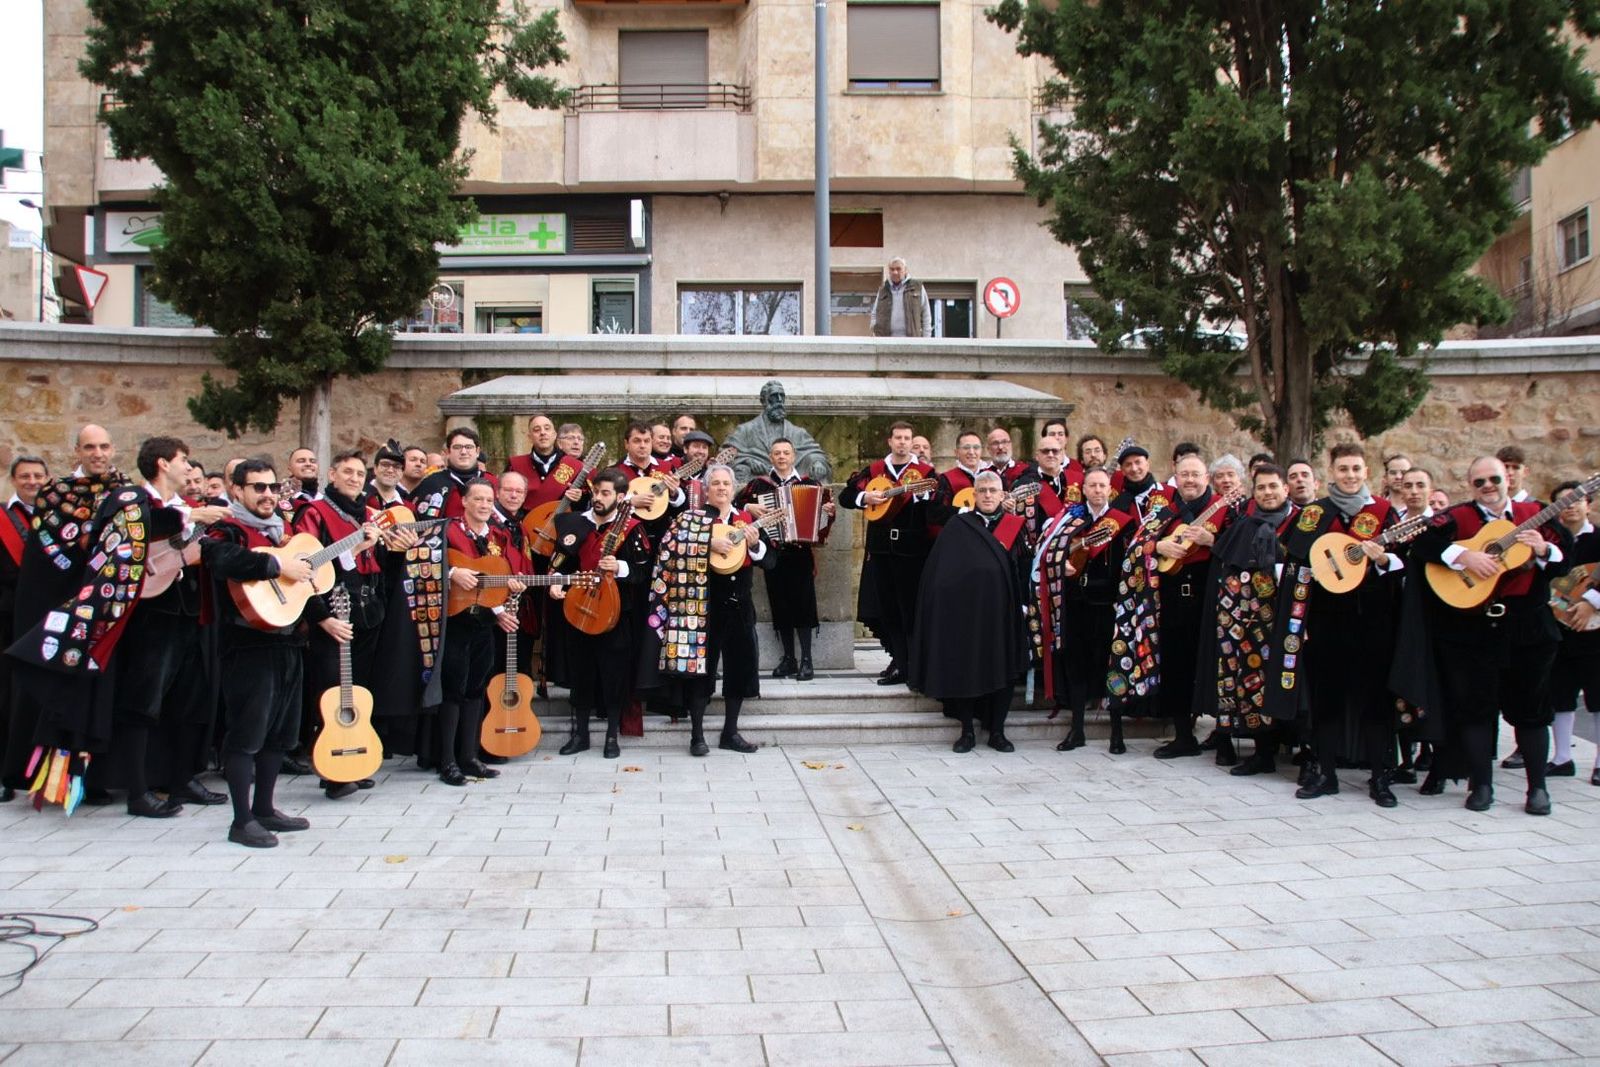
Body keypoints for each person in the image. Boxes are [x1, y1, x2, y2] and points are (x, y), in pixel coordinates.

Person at [1406, 456, 1570, 815]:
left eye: (1494, 479)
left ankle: (1537, 788)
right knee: (1475, 709)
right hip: (1472, 630)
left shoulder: (1535, 512)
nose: (1488, 487)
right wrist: (1462, 555)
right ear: (1471, 486)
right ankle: (1481, 785)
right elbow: (1421, 545)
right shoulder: (1457, 517)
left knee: (1531, 711)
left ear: (1508, 478)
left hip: (1527, 628)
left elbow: (1566, 555)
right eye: (1479, 482)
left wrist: (1543, 550)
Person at [109, 437, 228, 816]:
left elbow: (186, 548)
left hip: (189, 612)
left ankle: (182, 778)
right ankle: (137, 790)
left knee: (189, 699)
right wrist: (193, 518)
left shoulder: (181, 508)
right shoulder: (132, 500)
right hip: (152, 614)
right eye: (182, 460)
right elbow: (139, 528)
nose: (187, 467)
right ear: (162, 464)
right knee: (144, 701)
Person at [1280, 443, 1405, 805]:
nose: (1350, 475)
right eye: (1343, 469)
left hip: (1373, 620)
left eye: (1356, 469)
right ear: (1331, 472)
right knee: (1327, 699)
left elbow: (1403, 563)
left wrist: (1383, 560)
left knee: (1375, 701)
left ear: (1366, 473)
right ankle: (1326, 774)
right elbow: (1298, 560)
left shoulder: (1383, 512)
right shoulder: (1316, 513)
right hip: (1326, 619)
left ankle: (1380, 777)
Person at [201, 459, 316, 848]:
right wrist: (275, 563)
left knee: (279, 734)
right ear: (237, 491)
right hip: (246, 642)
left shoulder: (283, 533)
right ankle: (241, 820)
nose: (267, 495)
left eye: (271, 487)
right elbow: (219, 560)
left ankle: (265, 808)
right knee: (246, 734)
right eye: (257, 488)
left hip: (286, 639)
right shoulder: (226, 529)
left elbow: (301, 582)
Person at [294, 449, 417, 799]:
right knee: (331, 691)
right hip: (331, 610)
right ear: (332, 475)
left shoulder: (370, 514)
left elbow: (381, 566)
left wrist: (397, 551)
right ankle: (332, 768)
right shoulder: (314, 513)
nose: (354, 478)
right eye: (346, 472)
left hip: (367, 610)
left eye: (359, 474)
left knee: (360, 690)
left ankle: (352, 760)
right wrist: (322, 618)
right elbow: (304, 566)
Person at [638, 465, 775, 755]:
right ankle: (696, 736)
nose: (722, 488)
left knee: (740, 669)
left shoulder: (746, 519)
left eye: (727, 483)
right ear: (706, 489)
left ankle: (730, 733)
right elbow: (667, 548)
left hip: (740, 606)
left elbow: (770, 561)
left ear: (734, 488)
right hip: (702, 606)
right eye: (716, 484)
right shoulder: (691, 519)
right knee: (701, 672)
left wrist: (755, 546)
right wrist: (707, 542)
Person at [910, 471, 1030, 753]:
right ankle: (966, 732)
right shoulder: (958, 525)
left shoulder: (1014, 526)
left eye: (993, 491)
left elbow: (1023, 569)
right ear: (974, 495)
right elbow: (940, 573)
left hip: (1003, 613)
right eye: (983, 490)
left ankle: (998, 732)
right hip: (965, 616)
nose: (988, 495)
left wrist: (1024, 603)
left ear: (1003, 496)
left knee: (1004, 668)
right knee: (966, 669)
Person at [545, 469, 651, 758]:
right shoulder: (575, 525)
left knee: (614, 674)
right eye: (596, 493)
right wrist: (556, 584)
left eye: (605, 493)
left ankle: (611, 737)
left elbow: (644, 571)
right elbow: (559, 564)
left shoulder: (631, 529)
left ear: (620, 497)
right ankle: (580, 734)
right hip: (578, 611)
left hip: (615, 615)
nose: (598, 498)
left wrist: (620, 568)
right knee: (581, 674)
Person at [1202, 463, 1299, 777]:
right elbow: (1226, 571)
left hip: (1288, 622)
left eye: (1274, 486)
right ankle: (1261, 751)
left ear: (1286, 489)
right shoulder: (1244, 526)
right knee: (1248, 683)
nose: (1268, 493)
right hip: (1245, 623)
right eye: (1262, 488)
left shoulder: (1301, 524)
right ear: (1254, 493)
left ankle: (1298, 749)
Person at [1033, 467, 1132, 752]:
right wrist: (1058, 563)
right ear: (1084, 489)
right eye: (1092, 485)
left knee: (1112, 668)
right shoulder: (1070, 519)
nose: (1098, 490)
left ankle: (1117, 731)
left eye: (1102, 485)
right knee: (1076, 667)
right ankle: (1077, 730)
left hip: (1109, 607)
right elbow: (1047, 553)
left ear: (1109, 490)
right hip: (1076, 604)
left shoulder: (1122, 523)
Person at [440, 480, 525, 786]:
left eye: (489, 500)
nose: (485, 505)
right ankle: (447, 761)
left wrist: (504, 604)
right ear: (464, 501)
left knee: (477, 687)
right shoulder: (447, 531)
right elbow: (422, 561)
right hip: (456, 620)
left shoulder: (497, 537)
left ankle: (469, 755)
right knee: (453, 688)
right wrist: (452, 572)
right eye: (478, 499)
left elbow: (497, 580)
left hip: (484, 622)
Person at [1150, 453, 1231, 758]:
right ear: (1175, 476)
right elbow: (1139, 544)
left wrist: (1213, 540)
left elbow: (1242, 545)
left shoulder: (1225, 511)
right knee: (1177, 667)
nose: (1190, 480)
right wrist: (1157, 547)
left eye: (1196, 475)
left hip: (1213, 599)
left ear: (1206, 478)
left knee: (1219, 666)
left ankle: (1223, 738)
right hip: (1173, 601)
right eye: (1185, 475)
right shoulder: (1166, 512)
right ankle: (1184, 737)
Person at [841, 423, 934, 687]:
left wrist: (922, 497)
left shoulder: (925, 473)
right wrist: (865, 497)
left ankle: (912, 665)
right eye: (898, 438)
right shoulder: (874, 470)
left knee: (910, 611)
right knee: (885, 609)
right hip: (880, 551)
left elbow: (936, 508)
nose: (903, 443)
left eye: (907, 438)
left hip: (911, 552)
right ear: (890, 441)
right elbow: (847, 496)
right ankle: (899, 662)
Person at [738, 438, 835, 681]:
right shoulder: (758, 486)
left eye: (786, 453)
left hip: (800, 554)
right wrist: (750, 507)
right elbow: (736, 508)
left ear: (793, 457)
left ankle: (806, 660)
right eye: (777, 453)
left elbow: (821, 528)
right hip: (772, 553)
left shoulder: (810, 484)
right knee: (779, 606)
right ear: (770, 458)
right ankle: (789, 659)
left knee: (804, 607)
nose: (782, 457)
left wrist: (827, 514)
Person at [0, 456, 46, 803]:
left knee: (38, 697)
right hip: (6, 619)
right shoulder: (2, 517)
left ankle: (36, 770)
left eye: (37, 475)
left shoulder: (60, 518)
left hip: (45, 621)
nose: (32, 481)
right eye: (24, 476)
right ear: (13, 479)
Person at [1547, 482, 1600, 784]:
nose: (1570, 506)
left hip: (1594, 632)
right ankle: (1562, 757)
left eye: (1576, 500)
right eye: (1562, 502)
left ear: (1588, 505)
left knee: (1598, 696)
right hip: (1560, 630)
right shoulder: (1555, 541)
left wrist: (1591, 604)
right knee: (1560, 694)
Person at [723, 380, 833, 484]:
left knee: (817, 467)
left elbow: (815, 453)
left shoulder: (797, 432)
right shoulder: (746, 430)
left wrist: (818, 462)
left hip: (793, 480)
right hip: (760, 482)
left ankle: (819, 502)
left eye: (782, 396)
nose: (779, 400)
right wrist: (748, 461)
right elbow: (726, 454)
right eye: (774, 396)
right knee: (740, 469)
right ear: (763, 401)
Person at [869, 256, 932, 337]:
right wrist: (874, 329)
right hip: (886, 342)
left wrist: (926, 339)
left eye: (898, 269)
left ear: (905, 270)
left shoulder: (917, 287)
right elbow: (875, 313)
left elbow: (926, 314)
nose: (895, 272)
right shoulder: (883, 290)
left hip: (912, 341)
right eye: (892, 269)